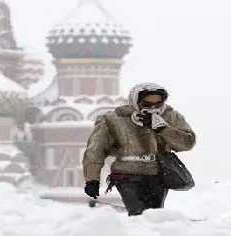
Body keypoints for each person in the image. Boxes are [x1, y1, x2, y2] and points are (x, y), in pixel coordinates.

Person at [81, 82, 196, 216]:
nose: (153, 108)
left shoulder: (170, 116)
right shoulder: (114, 119)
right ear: (135, 101)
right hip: (126, 174)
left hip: (158, 174)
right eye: (147, 104)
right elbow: (96, 150)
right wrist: (92, 179)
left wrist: (163, 129)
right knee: (137, 213)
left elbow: (187, 143)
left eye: (158, 104)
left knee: (153, 214)